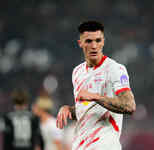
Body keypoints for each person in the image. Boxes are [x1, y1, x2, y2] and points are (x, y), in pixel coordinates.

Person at [56, 21, 136, 150]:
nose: (94, 46)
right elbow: (87, 110)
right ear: (80, 43)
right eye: (88, 41)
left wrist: (95, 97)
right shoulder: (77, 72)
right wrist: (69, 110)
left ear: (103, 42)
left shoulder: (115, 69)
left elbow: (129, 106)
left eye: (98, 40)